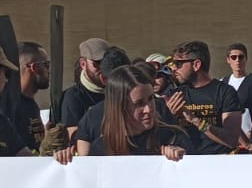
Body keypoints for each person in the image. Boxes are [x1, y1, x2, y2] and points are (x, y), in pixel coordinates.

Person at [61, 66, 193, 160]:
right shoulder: (101, 148)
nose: (149, 109)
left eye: (151, 99)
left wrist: (183, 159)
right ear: (120, 107)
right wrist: (65, 162)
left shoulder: (174, 137)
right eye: (139, 104)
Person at [165, 41, 243, 149]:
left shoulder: (225, 92)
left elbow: (231, 140)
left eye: (178, 64)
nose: (174, 68)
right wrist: (169, 117)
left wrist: (194, 120)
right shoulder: (175, 95)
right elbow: (163, 137)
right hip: (185, 162)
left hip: (217, 161)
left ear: (196, 65)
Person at [0, 42, 51, 153]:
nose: (49, 71)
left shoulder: (30, 103)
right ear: (34, 67)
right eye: (46, 64)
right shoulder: (10, 105)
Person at [54, 38, 110, 140]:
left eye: (106, 62)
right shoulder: (73, 96)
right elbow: (72, 134)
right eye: (98, 63)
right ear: (83, 64)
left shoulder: (115, 91)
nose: (103, 67)